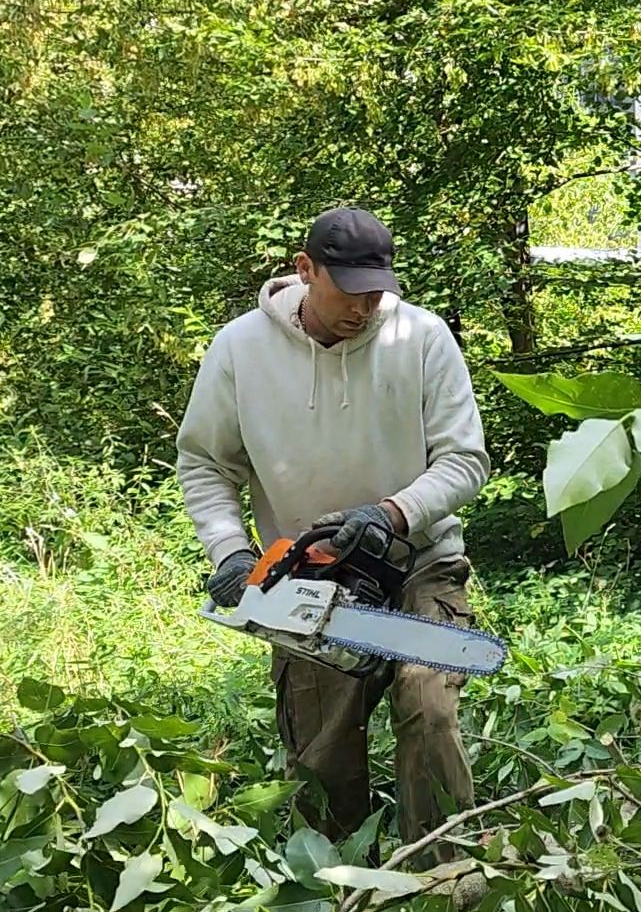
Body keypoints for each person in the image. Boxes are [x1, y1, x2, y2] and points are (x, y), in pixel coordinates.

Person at [175, 206, 490, 862]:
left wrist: (392, 513)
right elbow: (205, 463)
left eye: (375, 292)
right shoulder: (240, 349)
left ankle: (445, 875)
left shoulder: (421, 338)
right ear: (305, 270)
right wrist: (231, 552)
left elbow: (464, 460)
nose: (364, 307)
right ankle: (338, 891)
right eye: (349, 291)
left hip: (418, 558)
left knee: (428, 704)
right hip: (311, 575)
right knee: (323, 752)